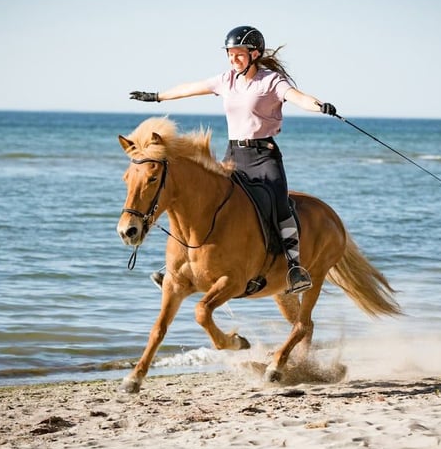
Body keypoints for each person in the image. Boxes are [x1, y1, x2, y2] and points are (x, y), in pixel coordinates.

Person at [129, 25, 337, 294]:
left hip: (264, 156)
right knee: (204, 203)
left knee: (279, 205)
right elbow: (191, 88)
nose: (233, 58)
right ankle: (177, 266)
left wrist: (319, 106)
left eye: (239, 54)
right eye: (230, 54)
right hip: (233, 155)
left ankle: (294, 266)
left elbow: (298, 97)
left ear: (255, 53)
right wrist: (157, 96)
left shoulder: (271, 81)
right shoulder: (226, 80)